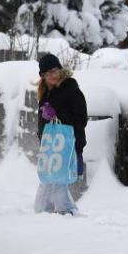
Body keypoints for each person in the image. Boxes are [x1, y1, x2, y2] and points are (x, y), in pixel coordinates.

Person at [34, 53, 88, 215]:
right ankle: (46, 209)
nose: (53, 74)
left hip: (69, 143)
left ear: (60, 70)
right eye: (48, 72)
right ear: (43, 76)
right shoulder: (45, 94)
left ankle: (66, 211)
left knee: (58, 180)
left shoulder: (70, 89)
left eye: (55, 70)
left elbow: (81, 118)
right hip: (51, 145)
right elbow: (42, 123)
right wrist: (42, 136)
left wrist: (57, 115)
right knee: (48, 178)